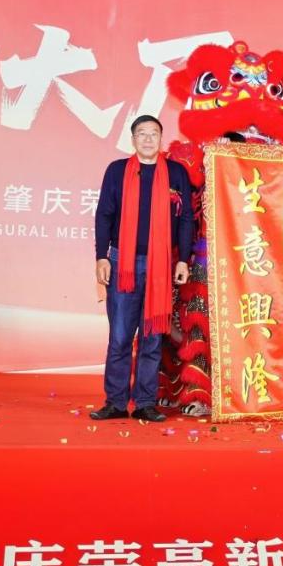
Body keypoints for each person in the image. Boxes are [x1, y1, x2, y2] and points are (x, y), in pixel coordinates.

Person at [90, 115, 193, 422]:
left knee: (152, 338)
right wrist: (101, 256)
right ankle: (116, 402)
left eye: (154, 134)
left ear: (161, 139)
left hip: (160, 265)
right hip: (122, 262)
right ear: (133, 139)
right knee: (120, 337)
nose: (148, 139)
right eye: (142, 134)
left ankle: (146, 403)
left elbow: (186, 218)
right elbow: (104, 215)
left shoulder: (175, 173)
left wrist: (183, 259)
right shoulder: (117, 170)